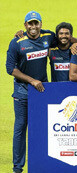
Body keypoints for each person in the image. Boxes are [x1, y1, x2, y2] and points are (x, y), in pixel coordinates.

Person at [6, 11, 57, 173]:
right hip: (23, 92)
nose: (33, 27)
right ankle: (18, 167)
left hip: (42, 92)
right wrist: (32, 81)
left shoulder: (48, 36)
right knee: (20, 128)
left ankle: (44, 163)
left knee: (44, 127)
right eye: (30, 24)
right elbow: (10, 69)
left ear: (41, 24)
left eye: (36, 23)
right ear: (25, 25)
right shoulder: (17, 43)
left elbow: (65, 41)